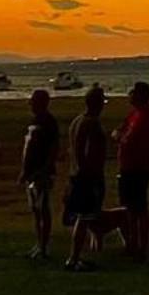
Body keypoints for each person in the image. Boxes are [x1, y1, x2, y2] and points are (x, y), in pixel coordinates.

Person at [62, 84, 107, 271]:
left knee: (83, 217)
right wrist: (89, 173)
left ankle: (78, 255)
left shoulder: (77, 121)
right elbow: (84, 151)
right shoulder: (90, 123)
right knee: (84, 217)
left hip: (77, 174)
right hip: (86, 176)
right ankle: (74, 257)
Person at [113, 81, 149, 263]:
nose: (129, 95)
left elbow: (127, 138)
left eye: (133, 92)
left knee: (138, 207)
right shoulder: (135, 115)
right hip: (129, 166)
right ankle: (132, 243)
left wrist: (118, 136)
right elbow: (122, 130)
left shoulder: (146, 116)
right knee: (129, 207)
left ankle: (141, 246)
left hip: (137, 167)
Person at [19, 88, 62, 261]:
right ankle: (39, 244)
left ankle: (44, 246)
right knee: (36, 209)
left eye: (33, 101)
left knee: (42, 209)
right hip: (32, 172)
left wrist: (45, 167)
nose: (30, 104)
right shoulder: (35, 120)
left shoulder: (48, 122)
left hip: (41, 172)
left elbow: (53, 147)